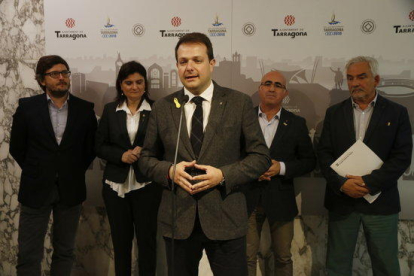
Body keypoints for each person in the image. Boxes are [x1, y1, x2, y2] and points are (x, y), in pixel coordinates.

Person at [139, 32, 271, 276]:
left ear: (212, 63)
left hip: (226, 218)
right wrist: (169, 171)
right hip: (178, 220)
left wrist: (222, 175)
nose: (189, 67)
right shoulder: (163, 107)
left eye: (197, 60)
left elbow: (261, 157)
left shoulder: (238, 103)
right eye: (183, 61)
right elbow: (146, 160)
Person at [317, 56, 412, 276]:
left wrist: (368, 183)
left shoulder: (397, 113)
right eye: (350, 78)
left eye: (361, 77)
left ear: (376, 79)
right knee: (337, 267)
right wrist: (342, 185)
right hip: (342, 203)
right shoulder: (334, 113)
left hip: (381, 202)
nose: (354, 83)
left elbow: (402, 157)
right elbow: (324, 155)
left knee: (386, 266)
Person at [9, 55, 97, 276]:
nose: (61, 78)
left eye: (65, 73)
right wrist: (38, 170)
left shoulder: (85, 110)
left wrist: (70, 170)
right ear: (41, 80)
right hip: (35, 189)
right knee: (29, 254)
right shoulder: (27, 108)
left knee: (65, 252)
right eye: (54, 74)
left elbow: (89, 150)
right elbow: (17, 147)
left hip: (71, 189)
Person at [244, 71, 316, 276]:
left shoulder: (296, 123)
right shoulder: (244, 118)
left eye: (278, 85)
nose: (272, 88)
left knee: (284, 258)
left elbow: (309, 161)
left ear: (285, 93)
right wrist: (250, 171)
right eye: (267, 83)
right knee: (246, 257)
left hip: (281, 198)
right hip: (248, 198)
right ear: (260, 89)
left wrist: (281, 168)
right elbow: (230, 156)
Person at [95, 61, 162, 276]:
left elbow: (167, 147)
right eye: (129, 82)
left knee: (147, 242)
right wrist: (121, 155)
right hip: (115, 187)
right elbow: (99, 146)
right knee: (121, 243)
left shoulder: (158, 109)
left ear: (145, 84)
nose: (134, 87)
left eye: (139, 82)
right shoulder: (109, 110)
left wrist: (147, 151)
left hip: (148, 185)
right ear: (120, 85)